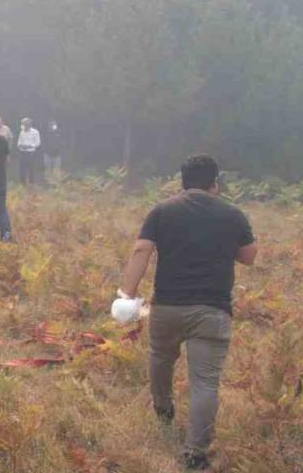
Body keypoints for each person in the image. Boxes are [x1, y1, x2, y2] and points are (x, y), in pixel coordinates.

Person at [116, 155, 256, 470]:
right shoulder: (233, 214)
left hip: (166, 306)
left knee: (160, 358)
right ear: (215, 182)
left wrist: (128, 293)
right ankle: (196, 452)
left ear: (182, 181)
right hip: (212, 310)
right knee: (205, 381)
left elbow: (141, 250)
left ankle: (164, 409)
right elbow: (248, 257)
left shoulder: (162, 211)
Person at [16, 118, 41, 185]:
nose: (24, 126)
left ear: (29, 124)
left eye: (25, 124)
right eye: (23, 124)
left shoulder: (35, 132)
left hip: (31, 153)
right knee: (22, 169)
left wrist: (30, 146)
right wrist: (20, 145)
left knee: (31, 168)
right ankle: (22, 183)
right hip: (22, 152)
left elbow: (38, 143)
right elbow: (19, 141)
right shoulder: (21, 132)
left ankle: (31, 183)